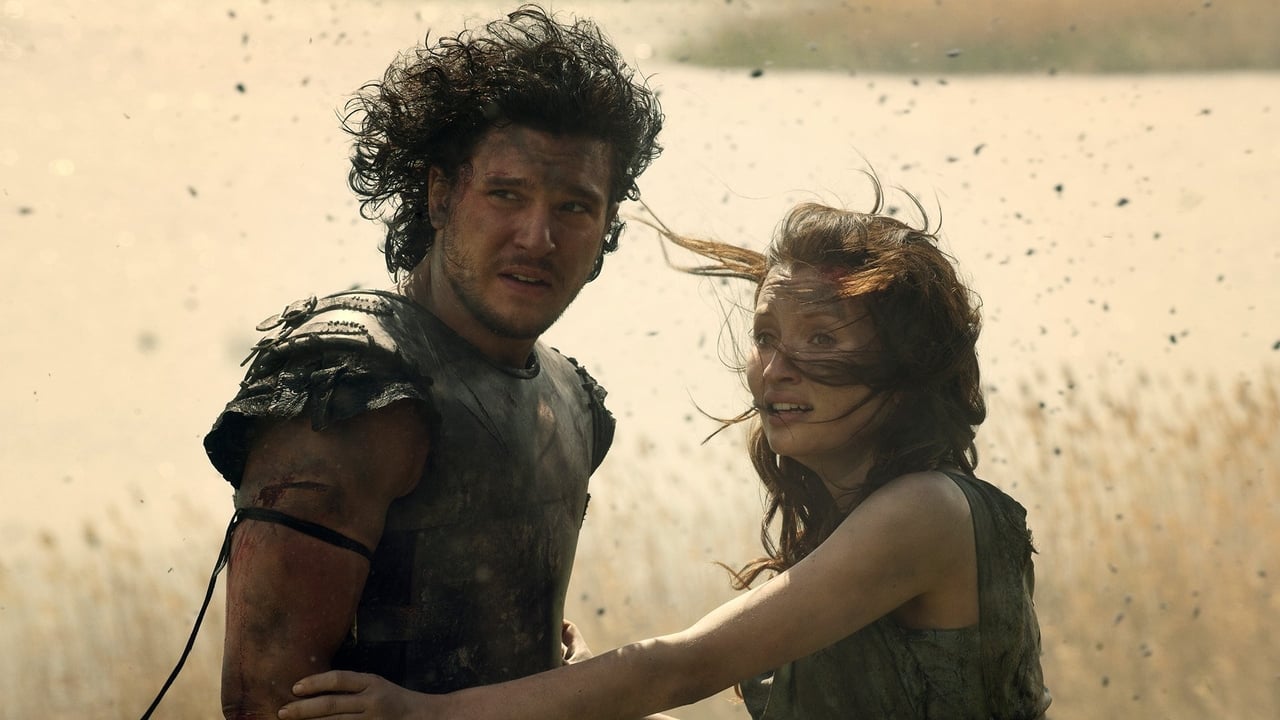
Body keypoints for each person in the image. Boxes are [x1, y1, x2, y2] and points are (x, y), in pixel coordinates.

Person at [276, 175, 1053, 719]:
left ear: (909, 366)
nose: (775, 369)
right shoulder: (858, 522)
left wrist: (430, 716)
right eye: (766, 336)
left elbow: (683, 666)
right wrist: (573, 692)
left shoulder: (925, 512)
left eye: (822, 338)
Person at [200, 5, 663, 718]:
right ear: (440, 194)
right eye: (506, 194)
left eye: (574, 207)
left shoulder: (570, 400)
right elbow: (268, 702)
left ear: (606, 227)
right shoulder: (356, 389)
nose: (537, 237)